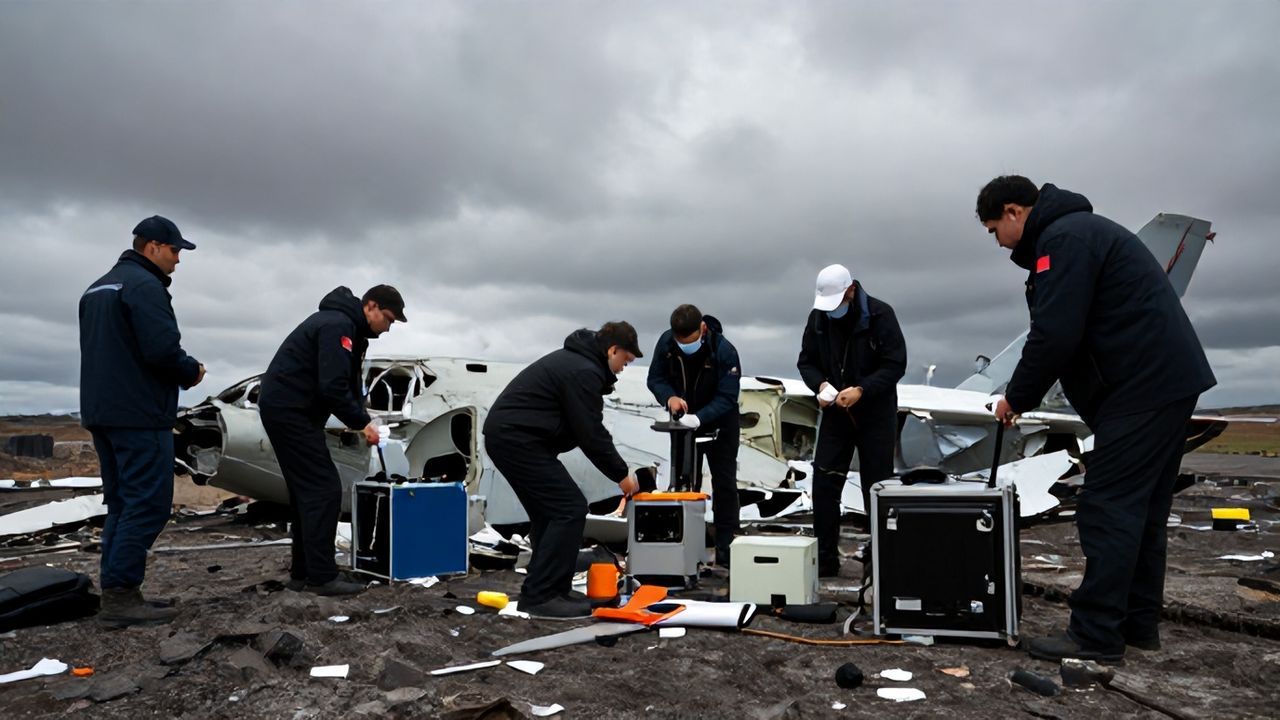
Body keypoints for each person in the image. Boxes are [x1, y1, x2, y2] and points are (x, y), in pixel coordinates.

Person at [977, 175, 1215, 663]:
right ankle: (1135, 625)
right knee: (1142, 512)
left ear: (1014, 212)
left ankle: (1095, 634)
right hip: (1165, 384)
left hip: (1141, 389)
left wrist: (1015, 397)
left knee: (1106, 508)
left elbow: (1055, 332)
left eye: (993, 228)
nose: (998, 242)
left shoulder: (1063, 240)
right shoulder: (1082, 233)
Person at [79, 215, 205, 627]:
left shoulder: (97, 287)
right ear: (151, 246)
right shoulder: (145, 287)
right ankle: (119, 598)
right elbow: (161, 351)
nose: (177, 261)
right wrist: (191, 371)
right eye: (174, 251)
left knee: (121, 502)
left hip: (102, 411)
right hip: (138, 413)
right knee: (148, 503)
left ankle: (118, 592)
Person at [483, 322, 642, 619]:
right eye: (626, 360)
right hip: (516, 439)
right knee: (568, 507)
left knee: (550, 511)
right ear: (613, 350)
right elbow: (590, 432)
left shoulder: (579, 364)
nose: (624, 368)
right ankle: (542, 596)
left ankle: (552, 589)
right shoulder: (583, 371)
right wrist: (621, 474)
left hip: (516, 439)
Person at [257, 285, 406, 596]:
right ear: (371, 306)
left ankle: (303, 573)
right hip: (291, 412)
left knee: (305, 494)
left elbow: (346, 386)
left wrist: (361, 416)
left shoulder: (345, 327)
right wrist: (362, 423)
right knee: (323, 490)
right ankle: (322, 578)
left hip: (290, 411)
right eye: (389, 319)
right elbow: (333, 386)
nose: (388, 327)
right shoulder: (337, 325)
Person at [797, 264, 906, 577]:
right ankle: (826, 560)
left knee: (877, 488)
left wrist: (862, 389)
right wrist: (820, 385)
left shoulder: (881, 315)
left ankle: (882, 563)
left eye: (836, 304)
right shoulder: (818, 317)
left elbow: (895, 364)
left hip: (875, 415)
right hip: (836, 415)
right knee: (825, 485)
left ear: (851, 291)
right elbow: (806, 361)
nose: (832, 312)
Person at [646, 304, 742, 567]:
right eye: (680, 342)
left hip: (720, 422)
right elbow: (655, 378)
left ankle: (727, 550)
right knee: (683, 481)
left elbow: (728, 396)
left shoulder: (724, 350)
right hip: (681, 421)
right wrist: (669, 398)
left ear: (702, 329)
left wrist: (700, 418)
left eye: (689, 342)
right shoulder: (666, 343)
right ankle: (683, 548)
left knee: (724, 483)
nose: (684, 346)